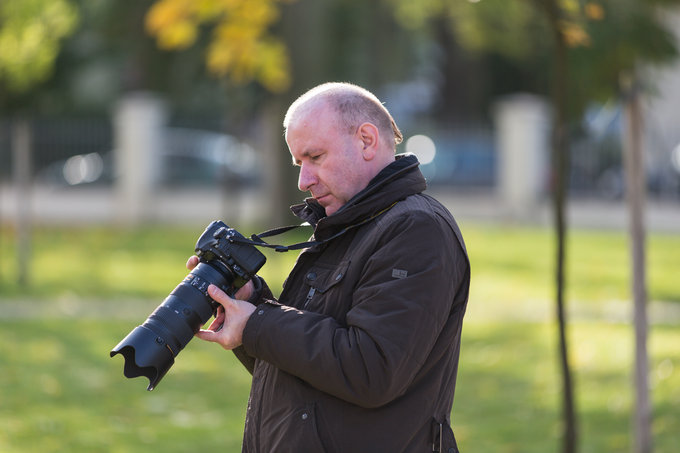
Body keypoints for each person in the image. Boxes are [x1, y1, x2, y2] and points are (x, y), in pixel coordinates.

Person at [187, 82, 470, 453]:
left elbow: (372, 369)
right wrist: (249, 304)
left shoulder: (416, 229)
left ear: (367, 140)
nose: (304, 181)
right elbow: (304, 375)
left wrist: (257, 324)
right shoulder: (346, 224)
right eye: (298, 163)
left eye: (315, 157)